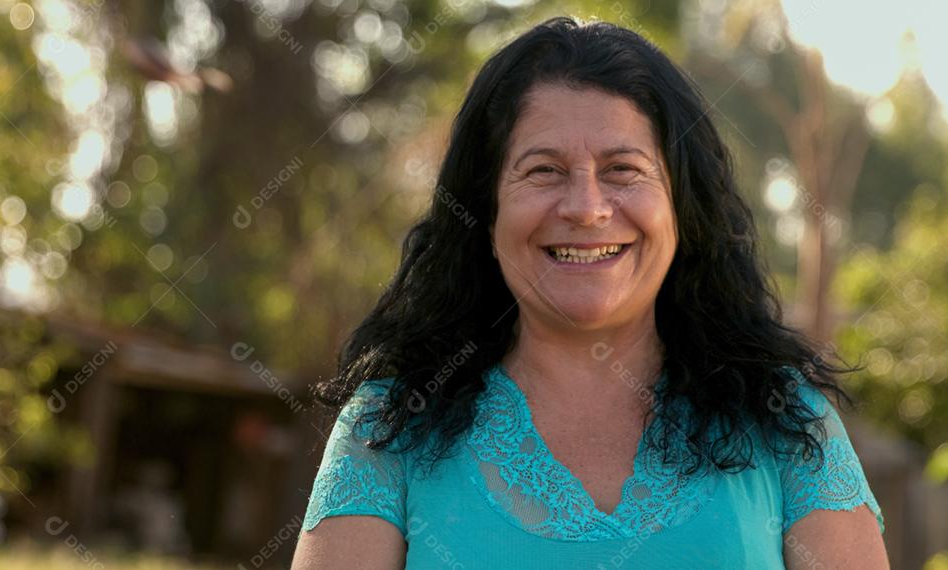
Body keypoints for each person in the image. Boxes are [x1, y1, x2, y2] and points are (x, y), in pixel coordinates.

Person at [291, 16, 888, 569]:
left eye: (622, 169)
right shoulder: (390, 429)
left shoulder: (785, 421)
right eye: (544, 170)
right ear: (485, 207)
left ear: (682, 204)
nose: (586, 209)